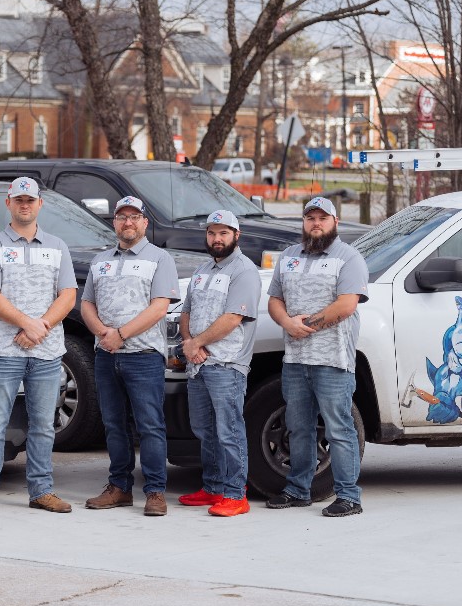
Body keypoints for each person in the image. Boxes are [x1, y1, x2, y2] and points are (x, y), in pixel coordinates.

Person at [0, 177, 77, 515]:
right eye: (19, 200)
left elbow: (68, 296)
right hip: (4, 350)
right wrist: (25, 323)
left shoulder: (57, 246)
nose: (25, 205)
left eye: (30, 200)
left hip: (46, 350)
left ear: (39, 204)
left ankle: (41, 491)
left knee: (44, 425)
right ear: (9, 203)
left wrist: (40, 325)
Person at [266, 196, 369, 517]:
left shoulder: (349, 258)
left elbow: (347, 304)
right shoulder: (288, 257)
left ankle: (349, 496)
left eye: (323, 218)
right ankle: (298, 490)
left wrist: (305, 325)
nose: (316, 223)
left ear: (335, 222)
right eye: (310, 217)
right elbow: (274, 300)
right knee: (298, 428)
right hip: (295, 362)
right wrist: (286, 322)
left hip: (333, 360)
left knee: (339, 429)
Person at [81, 196, 179, 516]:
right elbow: (87, 305)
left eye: (134, 217)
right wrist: (102, 334)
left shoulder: (159, 259)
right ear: (114, 223)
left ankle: (154, 491)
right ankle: (119, 487)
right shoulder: (100, 260)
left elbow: (159, 306)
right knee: (113, 424)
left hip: (143, 355)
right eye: (121, 217)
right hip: (106, 355)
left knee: (150, 425)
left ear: (144, 222)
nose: (127, 222)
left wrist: (120, 334)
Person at [178, 210, 261, 517]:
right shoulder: (202, 270)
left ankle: (236, 494)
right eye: (212, 233)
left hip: (227, 364)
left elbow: (233, 318)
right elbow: (186, 311)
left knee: (229, 430)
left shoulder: (244, 271)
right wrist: (190, 344)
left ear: (236, 236)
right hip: (198, 364)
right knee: (204, 429)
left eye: (223, 233)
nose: (217, 239)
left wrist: (196, 343)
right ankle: (212, 488)